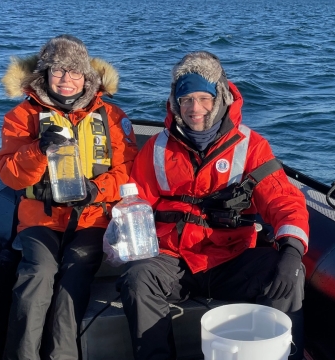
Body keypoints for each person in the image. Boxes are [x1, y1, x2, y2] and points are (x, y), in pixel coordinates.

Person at [117, 51, 309, 360]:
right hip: (172, 260)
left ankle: (286, 355)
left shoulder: (251, 146)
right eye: (186, 100)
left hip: (232, 259)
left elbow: (283, 200)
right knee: (138, 277)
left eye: (204, 98)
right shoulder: (156, 148)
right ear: (175, 103)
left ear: (219, 97)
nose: (195, 109)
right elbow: (134, 199)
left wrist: (292, 251)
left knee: (290, 273)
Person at [0, 34, 138, 360]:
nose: (66, 80)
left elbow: (130, 170)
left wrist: (97, 190)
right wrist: (38, 150)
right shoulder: (22, 117)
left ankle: (62, 356)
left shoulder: (113, 118)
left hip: (93, 218)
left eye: (75, 72)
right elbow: (9, 174)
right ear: (45, 73)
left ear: (87, 76)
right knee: (38, 272)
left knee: (75, 270)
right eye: (58, 71)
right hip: (40, 219)